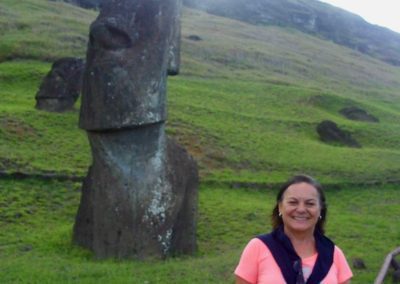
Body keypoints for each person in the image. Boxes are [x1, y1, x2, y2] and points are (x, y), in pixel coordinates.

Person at [234, 175, 353, 284]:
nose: (301, 209)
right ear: (280, 207)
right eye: (293, 202)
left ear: (320, 209)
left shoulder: (333, 253)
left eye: (310, 204)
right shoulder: (258, 247)